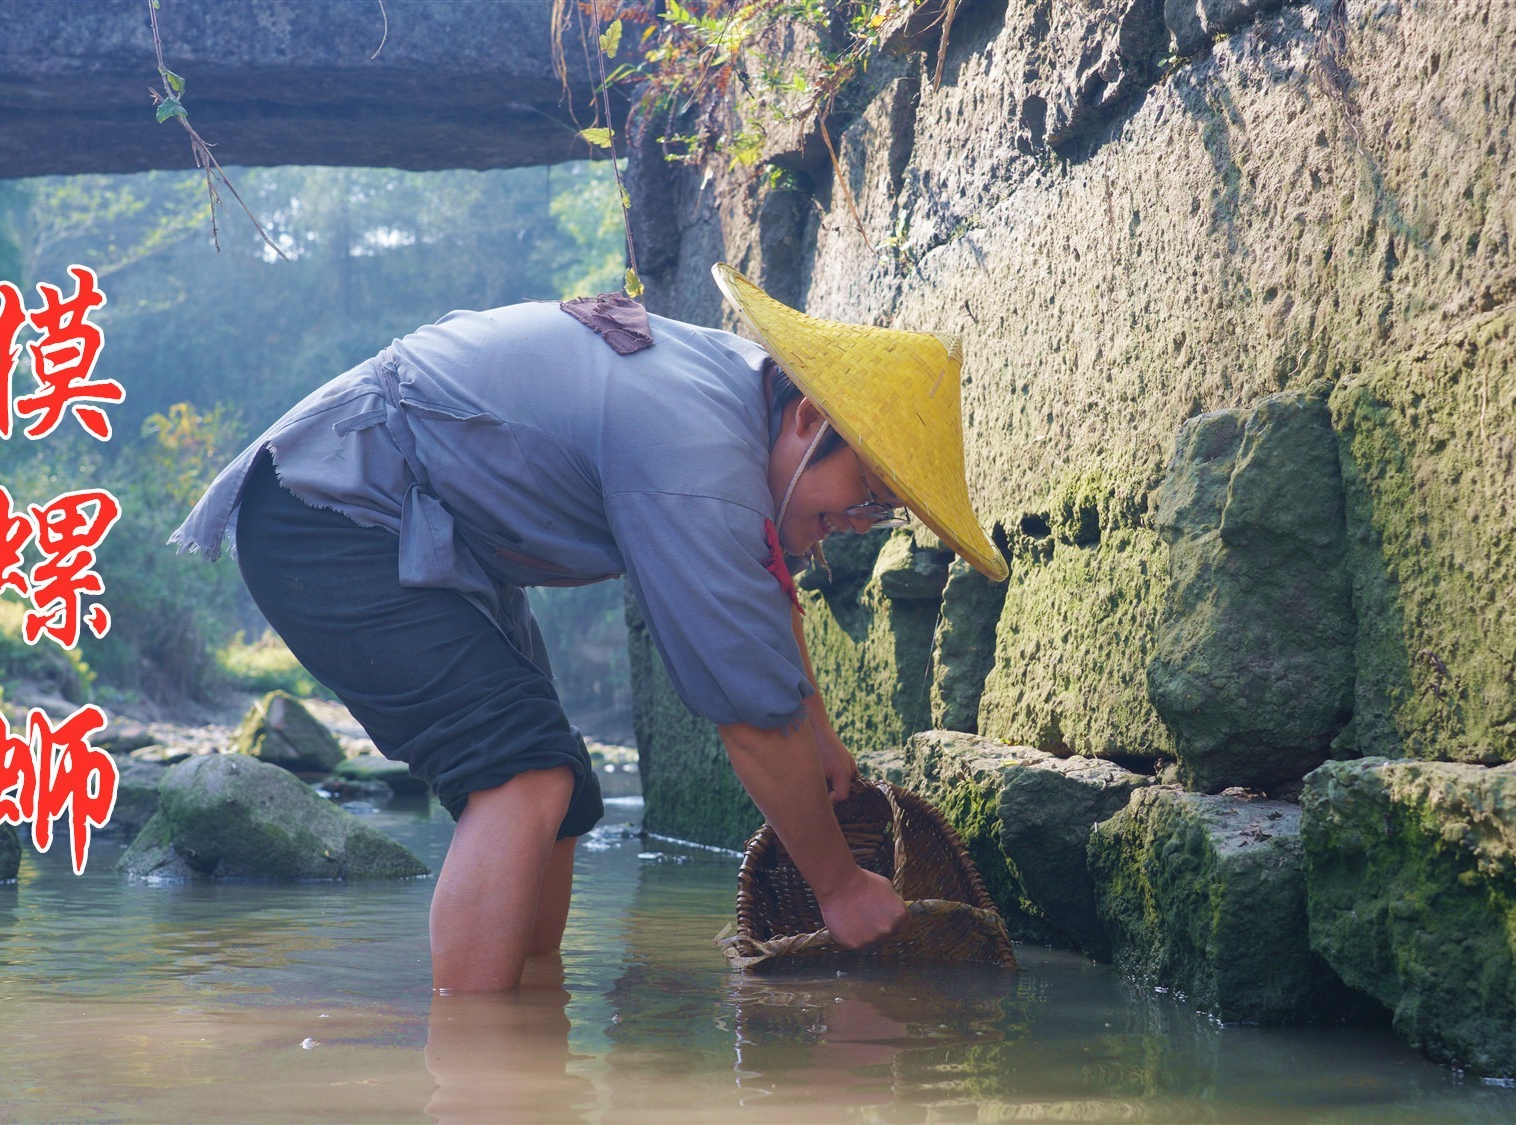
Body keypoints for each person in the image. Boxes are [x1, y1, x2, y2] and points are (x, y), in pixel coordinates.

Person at [172, 263, 1009, 991]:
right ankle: (476, 1063)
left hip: (431, 538)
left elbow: (762, 588)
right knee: (523, 774)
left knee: (565, 791)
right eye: (863, 493)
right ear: (806, 421)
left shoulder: (738, 403)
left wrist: (819, 732)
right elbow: (749, 717)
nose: (860, 521)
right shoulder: (701, 456)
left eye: (881, 511)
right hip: (333, 512)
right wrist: (837, 887)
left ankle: (528, 1013)